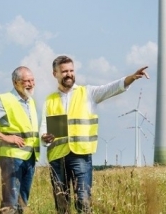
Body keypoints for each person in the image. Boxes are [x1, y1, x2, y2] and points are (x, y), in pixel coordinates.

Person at [41, 55, 149, 213]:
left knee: (83, 201)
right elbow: (44, 126)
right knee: (61, 203)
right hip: (57, 157)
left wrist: (131, 78)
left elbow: (110, 88)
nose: (69, 74)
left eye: (71, 70)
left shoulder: (88, 93)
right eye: (64, 71)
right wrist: (44, 137)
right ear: (55, 74)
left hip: (81, 156)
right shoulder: (49, 100)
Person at [0, 66, 41, 214]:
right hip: (12, 158)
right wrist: (5, 137)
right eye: (26, 81)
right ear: (15, 82)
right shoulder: (5, 100)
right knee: (10, 203)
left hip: (29, 158)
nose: (31, 84)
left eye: (32, 80)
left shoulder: (30, 102)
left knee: (22, 203)